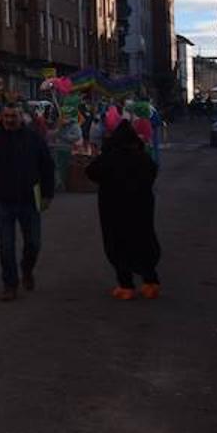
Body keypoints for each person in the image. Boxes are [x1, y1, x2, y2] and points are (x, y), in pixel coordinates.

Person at [0, 102, 56, 301]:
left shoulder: (34, 139)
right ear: (1, 117)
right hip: (3, 202)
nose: (10, 120)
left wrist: (47, 195)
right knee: (6, 246)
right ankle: (10, 284)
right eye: (6, 116)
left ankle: (27, 270)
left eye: (14, 116)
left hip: (30, 200)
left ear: (22, 117)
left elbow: (47, 168)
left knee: (34, 244)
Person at [86, 121, 162, 300]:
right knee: (144, 242)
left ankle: (126, 285)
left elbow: (91, 172)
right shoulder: (142, 157)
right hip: (141, 210)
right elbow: (153, 171)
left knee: (118, 245)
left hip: (114, 211)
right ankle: (150, 281)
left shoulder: (110, 157)